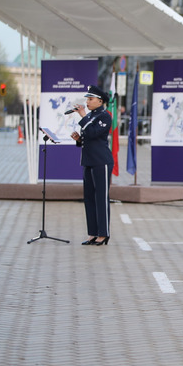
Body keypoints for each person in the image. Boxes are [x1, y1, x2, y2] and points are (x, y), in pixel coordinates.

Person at [70, 86, 115, 246]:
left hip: (101, 161)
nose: (87, 102)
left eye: (90, 99)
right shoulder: (90, 116)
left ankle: (104, 233)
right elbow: (88, 137)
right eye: (87, 99)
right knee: (89, 198)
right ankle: (93, 233)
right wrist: (79, 140)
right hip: (88, 161)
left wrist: (82, 116)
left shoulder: (105, 116)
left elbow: (95, 133)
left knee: (101, 197)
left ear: (100, 101)